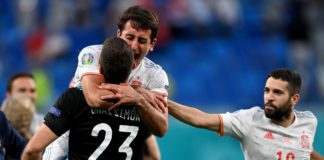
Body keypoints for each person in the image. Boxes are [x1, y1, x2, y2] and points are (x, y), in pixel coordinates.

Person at [43, 5, 168, 160]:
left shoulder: (156, 74)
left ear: (152, 44)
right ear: (119, 35)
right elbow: (94, 98)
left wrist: (139, 101)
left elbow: (161, 127)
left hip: (122, 126)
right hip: (74, 122)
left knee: (154, 155)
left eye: (142, 40)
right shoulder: (93, 54)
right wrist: (139, 93)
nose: (134, 46)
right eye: (129, 37)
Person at [22, 37, 165, 160]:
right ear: (133, 67)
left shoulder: (75, 97)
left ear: (100, 68)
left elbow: (31, 151)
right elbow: (153, 156)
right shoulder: (140, 105)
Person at [168, 68, 323, 160]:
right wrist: (164, 102)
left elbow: (304, 150)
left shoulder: (309, 121)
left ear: (294, 99)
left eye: (277, 92)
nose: (269, 97)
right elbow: (200, 119)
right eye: (267, 90)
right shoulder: (249, 120)